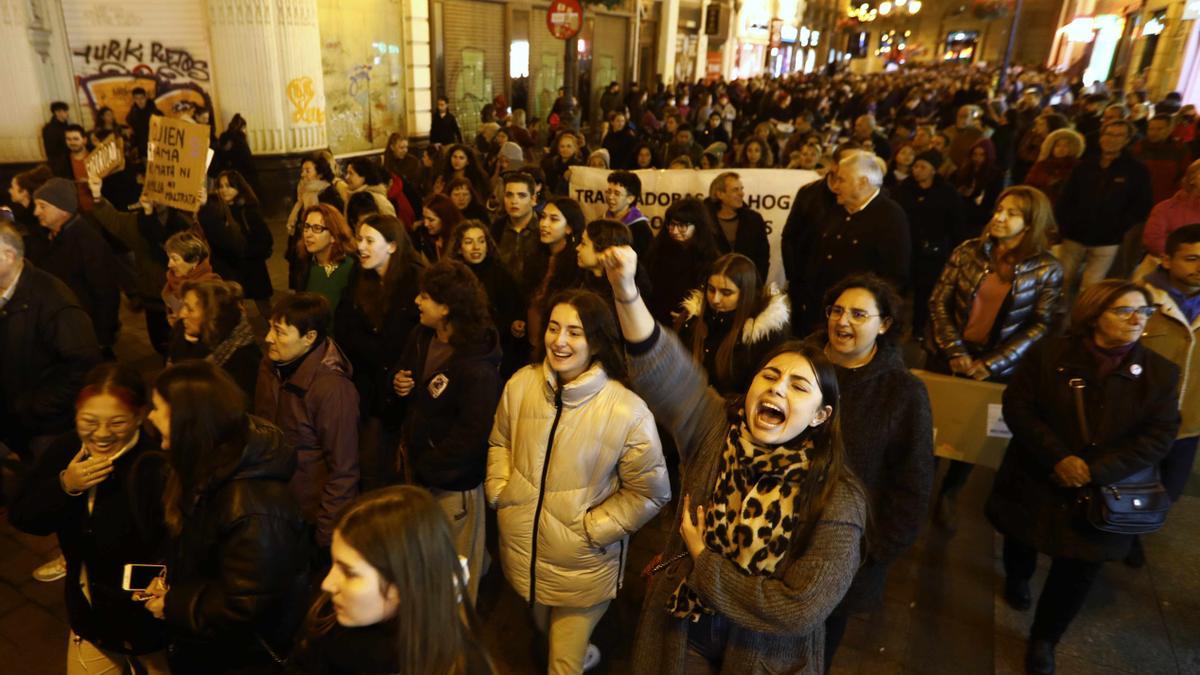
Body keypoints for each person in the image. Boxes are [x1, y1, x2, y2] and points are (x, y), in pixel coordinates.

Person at [596, 244, 867, 675]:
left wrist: (705, 562)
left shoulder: (837, 498)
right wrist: (626, 292)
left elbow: (799, 608)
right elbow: (665, 371)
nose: (778, 389)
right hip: (684, 630)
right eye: (771, 375)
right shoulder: (716, 430)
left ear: (821, 415)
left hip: (766, 655)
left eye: (799, 386)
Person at [985, 280, 1180, 675]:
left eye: (1143, 312)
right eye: (1124, 311)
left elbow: (1159, 436)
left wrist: (1095, 470)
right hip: (1038, 475)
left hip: (1101, 493)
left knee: (1077, 573)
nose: (1136, 320)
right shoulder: (1050, 354)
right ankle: (1018, 579)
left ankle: (1045, 639)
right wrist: (1057, 457)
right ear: (1094, 315)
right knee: (1021, 538)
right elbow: (1019, 407)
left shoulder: (1159, 374)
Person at [487, 289, 670, 674]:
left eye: (575, 332)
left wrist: (594, 529)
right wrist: (501, 491)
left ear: (597, 341)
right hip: (527, 555)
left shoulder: (626, 411)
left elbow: (651, 491)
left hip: (584, 563)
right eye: (554, 328)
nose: (560, 340)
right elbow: (500, 441)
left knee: (561, 663)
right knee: (543, 632)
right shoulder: (521, 385)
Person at [142, 361, 310, 674]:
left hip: (238, 659)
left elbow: (245, 605)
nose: (150, 417)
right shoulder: (207, 466)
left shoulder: (252, 507)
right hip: (209, 647)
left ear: (188, 420)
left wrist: (173, 605)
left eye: (158, 409)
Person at [9, 363, 170, 674]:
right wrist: (64, 487)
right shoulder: (67, 449)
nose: (102, 434)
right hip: (89, 615)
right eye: (89, 421)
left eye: (117, 422)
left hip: (147, 623)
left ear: (139, 417)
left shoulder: (155, 466)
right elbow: (25, 517)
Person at [808, 274, 934, 669]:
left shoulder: (902, 392)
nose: (843, 322)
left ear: (884, 324)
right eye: (837, 311)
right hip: (773, 531)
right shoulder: (797, 364)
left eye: (859, 314)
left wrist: (875, 552)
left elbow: (911, 485)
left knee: (817, 648)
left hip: (844, 552)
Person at [927, 186, 1064, 531]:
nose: (999, 218)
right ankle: (919, 486)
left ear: (1031, 222)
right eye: (999, 210)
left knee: (973, 434)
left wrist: (992, 364)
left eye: (1012, 213)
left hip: (997, 366)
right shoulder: (969, 251)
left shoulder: (1047, 268)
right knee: (931, 425)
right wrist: (955, 351)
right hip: (950, 354)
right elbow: (938, 301)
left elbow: (1041, 325)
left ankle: (950, 492)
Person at [289, 486, 492, 674]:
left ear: (406, 584)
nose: (328, 583)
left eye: (349, 573)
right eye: (333, 563)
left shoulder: (457, 665)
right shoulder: (325, 617)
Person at [391, 260, 500, 605]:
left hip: (452, 484)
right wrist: (400, 382)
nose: (417, 302)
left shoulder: (477, 367)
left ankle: (456, 640)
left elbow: (472, 434)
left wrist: (432, 466)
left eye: (425, 297)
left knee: (456, 576)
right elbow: (407, 372)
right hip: (424, 472)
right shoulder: (422, 335)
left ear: (447, 307)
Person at [256, 293, 361, 550]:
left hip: (309, 520)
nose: (269, 338)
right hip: (274, 507)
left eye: (279, 332)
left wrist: (325, 536)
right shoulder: (271, 365)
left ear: (309, 338)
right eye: (270, 327)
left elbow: (343, 471)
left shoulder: (332, 390)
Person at [0, 221, 101, 460]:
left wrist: (34, 406)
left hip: (45, 426)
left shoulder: (54, 303)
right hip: (13, 416)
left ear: (8, 256)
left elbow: (83, 365)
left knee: (48, 483)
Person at [1132, 224, 1200, 566]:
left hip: (1188, 425)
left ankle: (1135, 532)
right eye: (1192, 258)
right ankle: (1119, 533)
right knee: (1127, 483)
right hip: (1138, 420)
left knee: (1167, 491)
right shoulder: (1139, 300)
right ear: (1166, 258)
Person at [798, 152, 911, 333]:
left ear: (863, 182)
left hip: (856, 322)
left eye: (841, 180)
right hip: (821, 315)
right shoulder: (835, 210)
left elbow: (894, 276)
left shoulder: (891, 217)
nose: (835, 186)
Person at [87, 176, 194, 355]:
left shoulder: (183, 222)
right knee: (160, 343)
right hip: (152, 296)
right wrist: (97, 196)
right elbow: (114, 221)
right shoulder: (137, 222)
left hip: (181, 295)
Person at [1055, 120, 1153, 307]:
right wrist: (1066, 223)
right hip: (1074, 234)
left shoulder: (1136, 170)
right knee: (1063, 278)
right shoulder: (1085, 165)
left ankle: (1080, 318)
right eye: (1108, 134)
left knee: (1091, 285)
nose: (1111, 139)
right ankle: (1058, 313)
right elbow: (1066, 196)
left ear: (1127, 140)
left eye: (1118, 135)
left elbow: (1141, 205)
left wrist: (1119, 226)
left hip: (1107, 239)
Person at [675, 253, 790, 397]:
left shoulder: (764, 335)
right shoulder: (691, 319)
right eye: (711, 290)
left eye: (726, 292)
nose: (716, 299)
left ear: (745, 294)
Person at [33, 177, 121, 354]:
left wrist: (103, 337)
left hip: (86, 333)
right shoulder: (51, 237)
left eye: (43, 206)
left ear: (63, 209)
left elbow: (106, 292)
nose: (36, 212)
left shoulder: (88, 242)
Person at [781, 144, 861, 332]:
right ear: (835, 165)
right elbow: (789, 237)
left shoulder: (860, 199)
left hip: (846, 290)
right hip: (806, 288)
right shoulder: (809, 193)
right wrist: (795, 278)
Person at [895, 150, 968, 336]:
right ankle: (894, 326)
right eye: (916, 166)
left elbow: (956, 223)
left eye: (922, 167)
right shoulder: (903, 189)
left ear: (933, 170)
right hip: (906, 249)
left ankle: (918, 329)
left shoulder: (947, 193)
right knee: (899, 290)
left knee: (924, 293)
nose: (917, 170)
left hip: (932, 253)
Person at [167, 279, 261, 399]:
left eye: (190, 309)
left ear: (211, 315)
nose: (182, 314)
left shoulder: (242, 356)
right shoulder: (180, 334)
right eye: (184, 306)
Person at [644, 197, 721, 326]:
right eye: (671, 224)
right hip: (654, 321)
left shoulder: (710, 258)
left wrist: (691, 314)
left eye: (682, 226)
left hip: (689, 324)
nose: (674, 231)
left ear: (698, 226)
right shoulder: (658, 249)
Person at [216, 170, 274, 322]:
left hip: (252, 268)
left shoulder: (248, 210)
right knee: (235, 310)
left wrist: (245, 254)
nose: (224, 190)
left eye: (229, 186)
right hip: (232, 270)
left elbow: (265, 240)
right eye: (221, 186)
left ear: (239, 187)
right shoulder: (217, 211)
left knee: (266, 310)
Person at [293, 203, 359, 316]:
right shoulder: (306, 264)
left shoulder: (351, 268)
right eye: (306, 227)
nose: (308, 234)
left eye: (317, 228)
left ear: (334, 235)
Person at [490, 171, 546, 301]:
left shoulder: (544, 228)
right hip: (502, 302)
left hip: (535, 302)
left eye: (521, 196)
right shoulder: (496, 228)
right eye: (509, 195)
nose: (514, 201)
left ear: (533, 200)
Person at [704, 172, 771, 278]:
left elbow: (762, 257)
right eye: (735, 190)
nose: (742, 194)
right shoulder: (704, 221)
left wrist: (757, 285)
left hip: (747, 285)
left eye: (741, 189)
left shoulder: (754, 219)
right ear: (720, 194)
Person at [1142, 159, 1200, 259]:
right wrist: (1185, 257)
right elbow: (1153, 239)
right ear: (1192, 178)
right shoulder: (1165, 209)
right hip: (1170, 265)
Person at [162, 231, 220, 326]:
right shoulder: (172, 282)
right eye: (169, 258)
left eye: (175, 259)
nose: (169, 264)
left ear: (194, 261)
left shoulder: (210, 286)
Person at [1023, 128, 1085, 208]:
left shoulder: (1077, 167)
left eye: (1066, 146)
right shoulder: (1041, 165)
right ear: (1051, 147)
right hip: (1042, 206)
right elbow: (1030, 186)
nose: (1061, 149)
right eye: (1058, 145)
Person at [953, 139, 1004, 230]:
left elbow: (991, 199)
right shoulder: (965, 169)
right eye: (975, 154)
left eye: (982, 155)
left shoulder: (994, 174)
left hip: (979, 213)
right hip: (961, 207)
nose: (977, 158)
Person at [603, 171, 654, 255]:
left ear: (630, 199)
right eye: (608, 191)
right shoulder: (602, 220)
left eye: (617, 193)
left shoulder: (641, 230)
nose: (610, 197)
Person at [414, 193, 462, 263]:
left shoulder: (460, 239)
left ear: (445, 219)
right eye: (424, 218)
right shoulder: (421, 235)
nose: (426, 224)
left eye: (431, 220)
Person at [42, 102, 71, 177]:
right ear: (57, 112)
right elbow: (52, 150)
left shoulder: (64, 125)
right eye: (65, 111)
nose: (68, 113)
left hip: (65, 161)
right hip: (59, 165)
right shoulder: (50, 129)